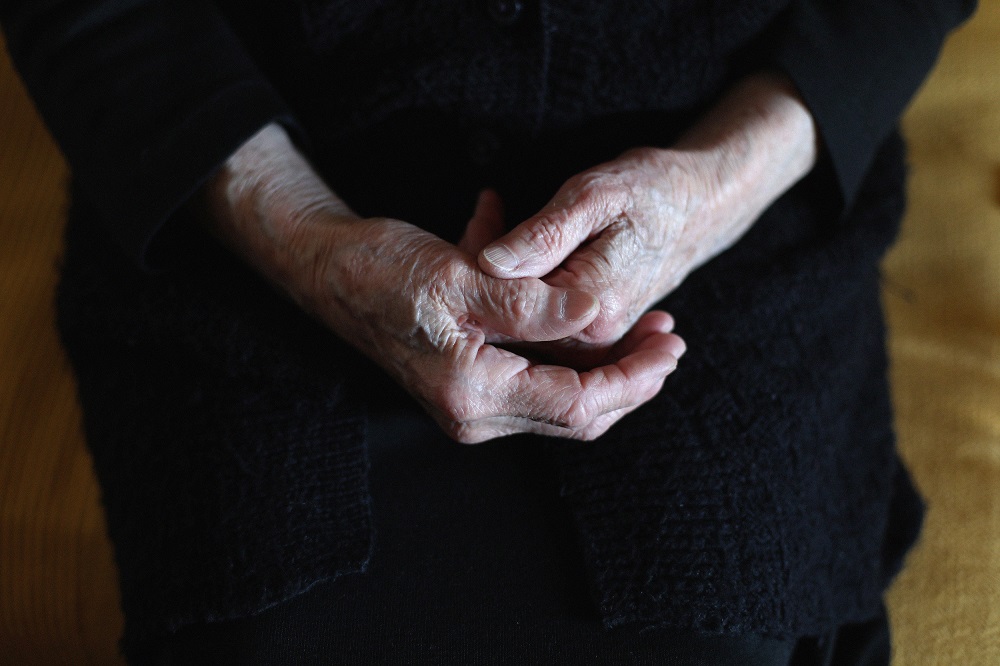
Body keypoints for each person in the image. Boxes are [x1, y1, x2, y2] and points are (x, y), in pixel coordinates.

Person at [0, 1, 976, 663]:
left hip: (722, 192)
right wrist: (313, 247)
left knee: (720, 630)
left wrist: (720, 184)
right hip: (252, 202)